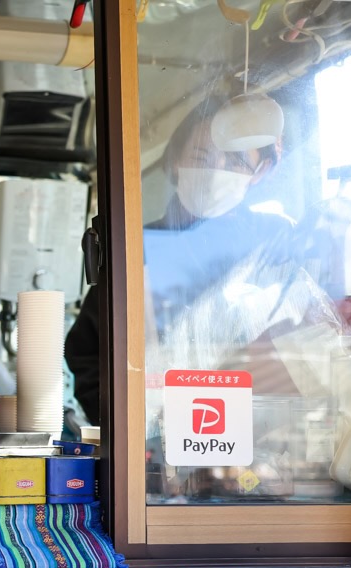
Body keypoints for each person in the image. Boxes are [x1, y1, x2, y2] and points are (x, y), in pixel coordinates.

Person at [65, 100, 292, 423]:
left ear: (261, 171)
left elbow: (298, 345)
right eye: (202, 157)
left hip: (252, 440)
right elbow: (87, 351)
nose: (216, 172)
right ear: (175, 161)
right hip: (150, 441)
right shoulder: (133, 247)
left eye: (236, 162)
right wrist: (123, 422)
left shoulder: (275, 246)